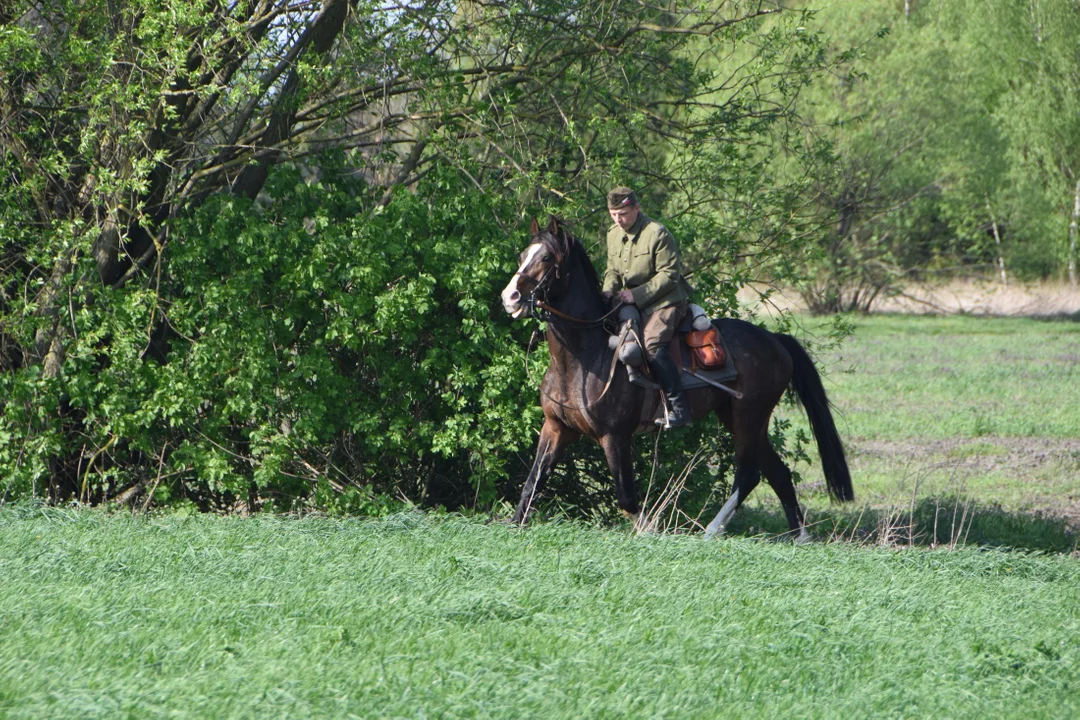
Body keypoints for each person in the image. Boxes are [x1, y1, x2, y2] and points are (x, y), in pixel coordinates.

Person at [602, 186, 693, 428]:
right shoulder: (612, 234)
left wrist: (636, 295)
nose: (618, 220)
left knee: (651, 345)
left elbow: (669, 275)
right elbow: (612, 269)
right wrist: (608, 290)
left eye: (622, 214)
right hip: (630, 299)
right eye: (613, 214)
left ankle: (679, 408)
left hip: (666, 301)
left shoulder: (657, 233)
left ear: (636, 208)